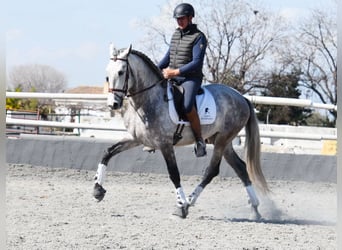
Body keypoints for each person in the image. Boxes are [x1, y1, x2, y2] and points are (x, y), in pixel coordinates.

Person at [158, 3, 207, 157]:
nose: (179, 21)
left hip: (190, 78)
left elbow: (196, 62)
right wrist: (155, 70)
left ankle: (199, 140)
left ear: (190, 18)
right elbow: (168, 57)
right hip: (172, 76)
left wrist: (175, 72)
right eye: (177, 19)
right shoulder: (175, 34)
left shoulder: (199, 37)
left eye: (182, 19)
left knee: (186, 106)